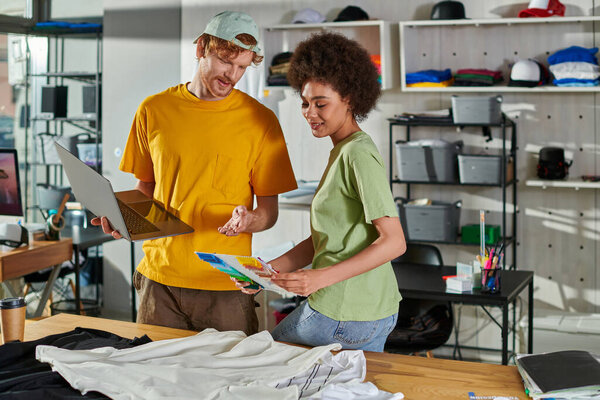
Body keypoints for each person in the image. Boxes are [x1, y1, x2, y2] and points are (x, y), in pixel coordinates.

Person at [92, 11, 297, 335]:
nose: (232, 74)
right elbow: (146, 189)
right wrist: (124, 218)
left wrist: (248, 220)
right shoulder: (153, 110)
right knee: (151, 378)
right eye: (225, 61)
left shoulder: (261, 122)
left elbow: (268, 213)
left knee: (228, 381)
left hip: (226, 286)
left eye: (242, 67)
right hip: (159, 283)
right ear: (201, 47)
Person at [234, 32, 406, 352]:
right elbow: (325, 240)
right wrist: (267, 271)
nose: (310, 113)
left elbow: (394, 241)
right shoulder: (343, 151)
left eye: (321, 103)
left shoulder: (357, 153)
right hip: (372, 309)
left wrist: (318, 279)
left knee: (260, 361)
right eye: (305, 103)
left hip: (344, 310)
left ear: (350, 100)